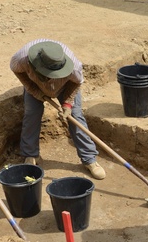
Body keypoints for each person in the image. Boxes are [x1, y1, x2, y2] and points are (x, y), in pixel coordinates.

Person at [9, 40, 106, 179]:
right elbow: (17, 71)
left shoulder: (74, 68)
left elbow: (77, 83)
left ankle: (89, 159)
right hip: (35, 85)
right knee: (31, 115)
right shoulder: (21, 59)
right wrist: (33, 89)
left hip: (66, 86)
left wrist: (67, 104)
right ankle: (30, 155)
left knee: (76, 116)